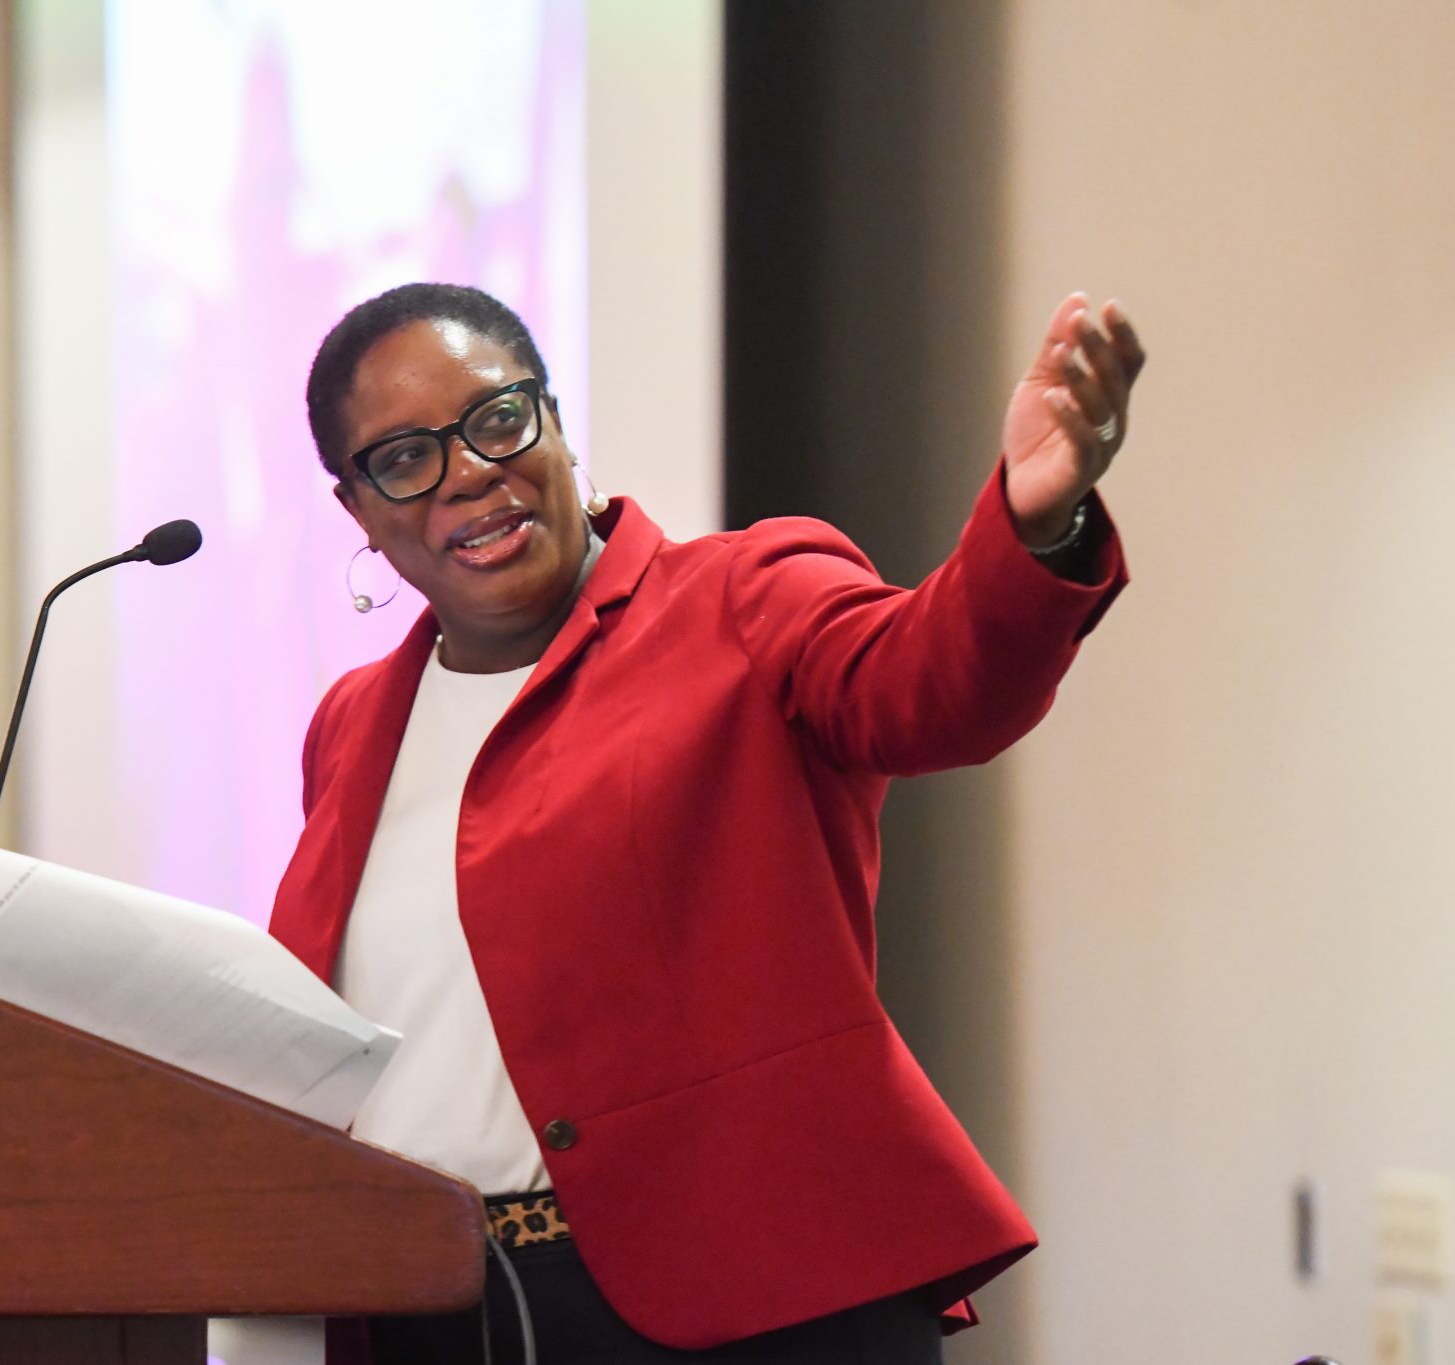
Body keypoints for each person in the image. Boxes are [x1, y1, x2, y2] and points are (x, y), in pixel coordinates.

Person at [268, 282, 1143, 1364]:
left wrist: (1034, 517)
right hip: (432, 1310)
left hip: (745, 1305)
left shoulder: (740, 597)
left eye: (497, 419)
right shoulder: (350, 728)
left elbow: (936, 685)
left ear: (552, 418)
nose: (468, 472)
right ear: (358, 511)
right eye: (403, 458)